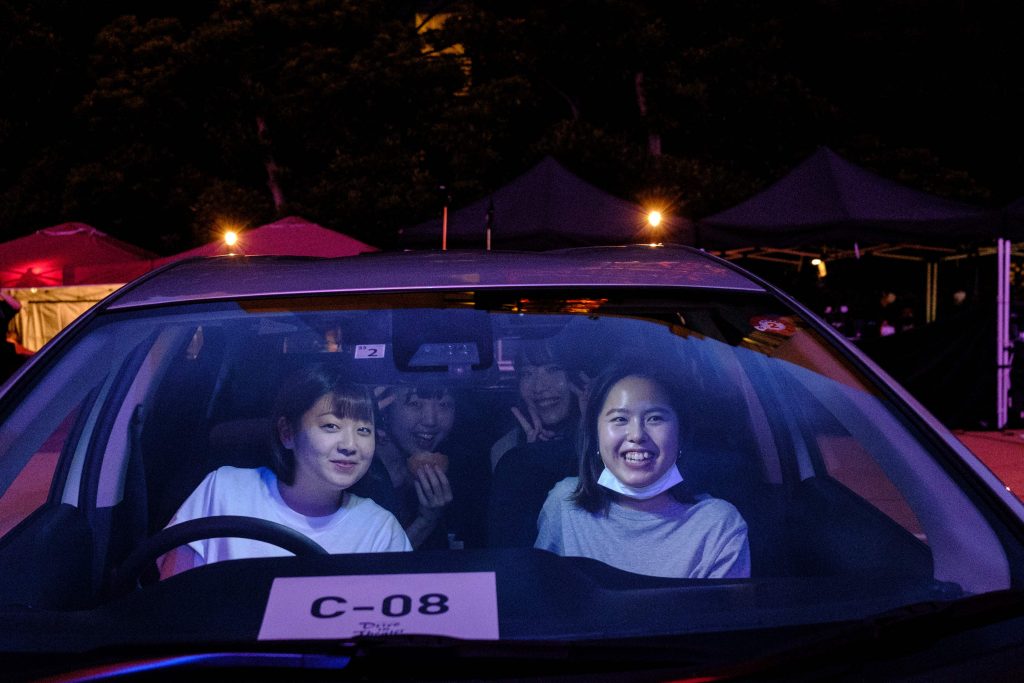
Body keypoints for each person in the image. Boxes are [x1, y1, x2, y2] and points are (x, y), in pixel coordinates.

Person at [159, 364, 411, 579]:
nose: (350, 445)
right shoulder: (225, 488)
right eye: (331, 426)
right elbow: (171, 597)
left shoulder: (379, 529)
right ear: (287, 433)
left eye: (363, 430)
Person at [534, 362, 750, 579]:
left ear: (680, 433)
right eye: (620, 419)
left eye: (654, 418)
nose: (636, 435)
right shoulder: (564, 504)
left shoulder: (717, 525)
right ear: (595, 434)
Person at [375, 384, 489, 549]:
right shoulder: (355, 472)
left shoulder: (461, 470)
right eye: (415, 404)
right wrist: (425, 522)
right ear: (385, 411)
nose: (431, 420)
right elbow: (368, 568)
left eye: (444, 405)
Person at [489, 340, 585, 472]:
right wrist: (530, 460)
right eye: (527, 374)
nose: (539, 387)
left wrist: (592, 436)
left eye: (553, 369)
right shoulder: (506, 449)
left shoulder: (609, 438)